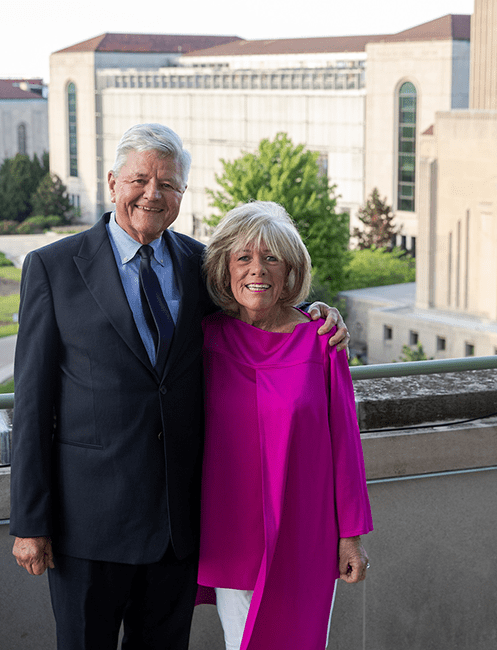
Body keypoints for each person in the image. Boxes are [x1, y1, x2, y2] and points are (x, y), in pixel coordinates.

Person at [9, 123, 348, 650]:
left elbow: (257, 310)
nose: (152, 193)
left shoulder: (200, 266)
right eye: (140, 179)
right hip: (87, 528)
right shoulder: (53, 269)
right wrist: (30, 522)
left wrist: (316, 314)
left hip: (177, 528)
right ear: (112, 182)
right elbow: (31, 405)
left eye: (167, 184)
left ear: (181, 196)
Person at [197, 201, 373, 650]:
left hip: (306, 534)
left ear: (290, 269)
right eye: (244, 257)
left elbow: (344, 446)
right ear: (225, 267)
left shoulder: (321, 340)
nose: (258, 270)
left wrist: (350, 537)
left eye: (271, 257)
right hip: (230, 530)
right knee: (242, 643)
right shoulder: (203, 337)